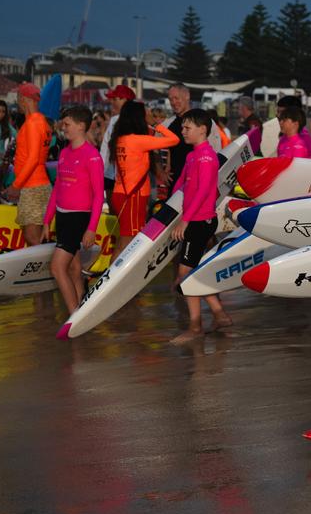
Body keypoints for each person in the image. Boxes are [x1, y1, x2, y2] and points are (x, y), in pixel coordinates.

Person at [170, 109, 232, 343]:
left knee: (185, 275)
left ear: (203, 130)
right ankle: (219, 314)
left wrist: (185, 220)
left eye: (187, 127)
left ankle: (196, 327)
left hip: (199, 221)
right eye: (182, 127)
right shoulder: (192, 156)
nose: (183, 131)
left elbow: (204, 191)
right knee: (192, 272)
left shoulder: (207, 157)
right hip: (194, 219)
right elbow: (181, 184)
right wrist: (169, 209)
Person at [42, 106, 105, 312]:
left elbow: (98, 196)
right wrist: (47, 220)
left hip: (78, 217)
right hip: (62, 215)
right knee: (74, 267)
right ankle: (82, 310)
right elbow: (57, 188)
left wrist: (91, 229)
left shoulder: (92, 156)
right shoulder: (64, 152)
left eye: (67, 124)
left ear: (81, 126)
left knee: (57, 267)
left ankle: (73, 316)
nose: (63, 127)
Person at [110, 101, 179, 254]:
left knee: (125, 240)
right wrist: (156, 124)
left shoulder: (120, 138)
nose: (148, 115)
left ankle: (115, 269)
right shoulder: (138, 140)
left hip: (123, 194)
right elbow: (174, 139)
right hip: (133, 196)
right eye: (146, 113)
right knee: (128, 243)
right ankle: (115, 270)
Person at [8, 83, 52, 246]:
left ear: (23, 99)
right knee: (35, 238)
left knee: (32, 238)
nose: (18, 103)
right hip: (38, 184)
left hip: (32, 186)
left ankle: (53, 263)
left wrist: (16, 185)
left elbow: (33, 159)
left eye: (18, 98)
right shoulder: (42, 122)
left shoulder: (33, 123)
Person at [99, 85, 135, 203]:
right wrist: (100, 170)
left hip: (127, 175)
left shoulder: (136, 120)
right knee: (112, 206)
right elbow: (105, 147)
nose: (112, 102)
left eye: (115, 99)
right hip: (109, 172)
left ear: (125, 100)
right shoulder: (114, 120)